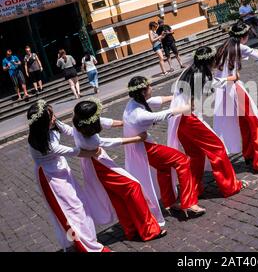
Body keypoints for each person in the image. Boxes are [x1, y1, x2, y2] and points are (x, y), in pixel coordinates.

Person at [67, 99, 167, 240]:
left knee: (117, 197)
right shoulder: (92, 140)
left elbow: (104, 121)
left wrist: (125, 123)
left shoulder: (78, 121)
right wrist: (136, 138)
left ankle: (131, 229)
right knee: (133, 187)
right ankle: (149, 230)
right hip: (99, 165)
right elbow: (111, 142)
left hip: (93, 164)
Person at [27, 100, 109, 252]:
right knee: (71, 210)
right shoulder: (45, 144)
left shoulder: (52, 124)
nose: (55, 117)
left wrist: (86, 134)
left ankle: (81, 241)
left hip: (61, 169)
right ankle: (87, 247)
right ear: (43, 122)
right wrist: (93, 151)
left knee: (79, 203)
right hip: (50, 177)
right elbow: (74, 152)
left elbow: (71, 131)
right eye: (51, 116)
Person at [167, 46, 249, 197]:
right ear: (209, 61)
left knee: (196, 155)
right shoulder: (201, 77)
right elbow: (199, 97)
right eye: (214, 60)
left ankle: (194, 189)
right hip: (190, 120)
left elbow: (214, 83)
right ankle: (230, 186)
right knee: (217, 149)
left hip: (180, 122)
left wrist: (229, 78)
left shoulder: (189, 71)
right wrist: (231, 78)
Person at [123, 76, 206, 220]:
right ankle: (190, 204)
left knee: (163, 168)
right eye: (149, 86)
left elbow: (156, 100)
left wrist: (175, 96)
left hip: (141, 147)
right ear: (143, 91)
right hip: (146, 148)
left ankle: (170, 202)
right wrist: (183, 108)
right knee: (183, 161)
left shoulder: (133, 102)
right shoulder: (139, 114)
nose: (152, 88)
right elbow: (162, 115)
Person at [213, 22, 258, 173]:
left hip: (225, 92)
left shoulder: (225, 46)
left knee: (244, 124)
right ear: (244, 36)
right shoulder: (239, 46)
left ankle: (248, 155)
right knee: (255, 123)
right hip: (235, 89)